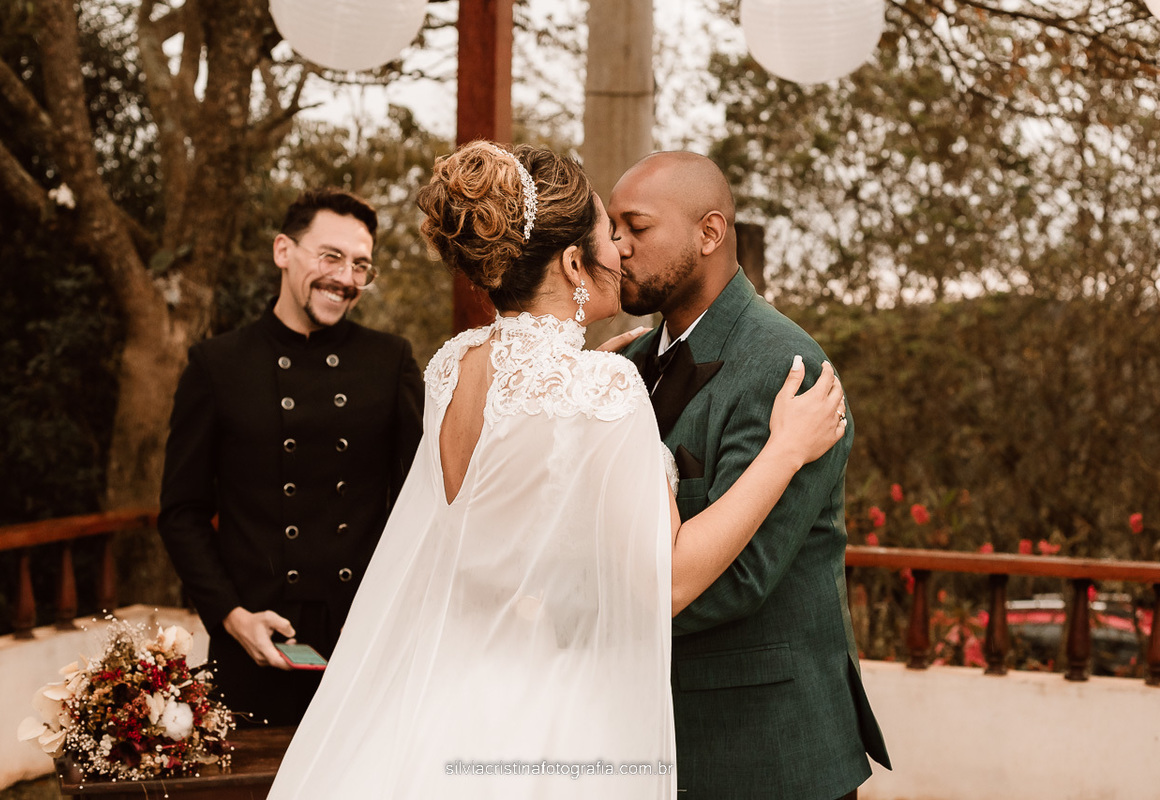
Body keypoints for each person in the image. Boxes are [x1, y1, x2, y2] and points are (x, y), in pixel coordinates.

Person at [269, 142, 847, 799]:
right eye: (611, 233)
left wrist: (582, 365)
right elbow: (666, 583)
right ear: (574, 261)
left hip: (453, 696)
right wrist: (784, 452)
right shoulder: (601, 388)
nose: (622, 250)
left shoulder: (452, 366)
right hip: (549, 712)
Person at [608, 151, 892, 800]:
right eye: (611, 227)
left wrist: (594, 609)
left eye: (636, 227)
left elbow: (741, 578)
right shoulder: (627, 364)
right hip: (657, 742)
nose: (616, 246)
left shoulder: (783, 364)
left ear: (709, 233)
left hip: (766, 750)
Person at [157, 188, 425, 726]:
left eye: (361, 265)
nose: (346, 278)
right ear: (284, 251)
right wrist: (232, 617)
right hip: (255, 646)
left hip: (365, 642)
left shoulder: (389, 361)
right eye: (331, 257)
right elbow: (181, 513)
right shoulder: (217, 366)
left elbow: (422, 503)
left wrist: (393, 612)